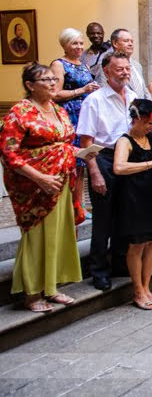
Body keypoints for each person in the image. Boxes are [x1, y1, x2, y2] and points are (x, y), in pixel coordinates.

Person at [1, 64, 89, 312]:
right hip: (33, 185)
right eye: (46, 80)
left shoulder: (59, 111)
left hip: (60, 181)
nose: (53, 83)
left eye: (54, 79)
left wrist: (82, 153)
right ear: (30, 85)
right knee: (37, 237)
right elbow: (9, 154)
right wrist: (39, 178)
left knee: (58, 234)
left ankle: (51, 287)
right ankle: (32, 294)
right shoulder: (20, 112)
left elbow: (62, 144)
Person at [76, 51, 137, 291]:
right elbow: (85, 141)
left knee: (125, 214)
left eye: (127, 68)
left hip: (127, 158)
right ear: (107, 71)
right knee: (103, 218)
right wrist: (94, 172)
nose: (124, 73)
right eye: (119, 69)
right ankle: (99, 270)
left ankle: (120, 263)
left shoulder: (133, 96)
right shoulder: (95, 100)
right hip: (103, 158)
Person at [112, 99, 152, 310]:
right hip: (134, 197)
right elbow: (119, 167)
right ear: (136, 120)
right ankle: (137, 290)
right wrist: (151, 163)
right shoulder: (125, 141)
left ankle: (147, 287)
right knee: (137, 244)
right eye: (148, 124)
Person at [51, 28, 100, 209]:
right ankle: (70, 205)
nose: (79, 47)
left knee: (83, 161)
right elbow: (55, 93)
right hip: (69, 115)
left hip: (85, 115)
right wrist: (81, 90)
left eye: (81, 43)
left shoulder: (83, 64)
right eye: (75, 43)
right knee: (72, 161)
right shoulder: (59, 65)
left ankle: (79, 204)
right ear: (65, 45)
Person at [95, 29, 149, 99]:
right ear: (115, 43)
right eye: (126, 41)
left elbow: (144, 90)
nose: (130, 44)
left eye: (131, 41)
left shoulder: (137, 66)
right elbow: (102, 90)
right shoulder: (107, 66)